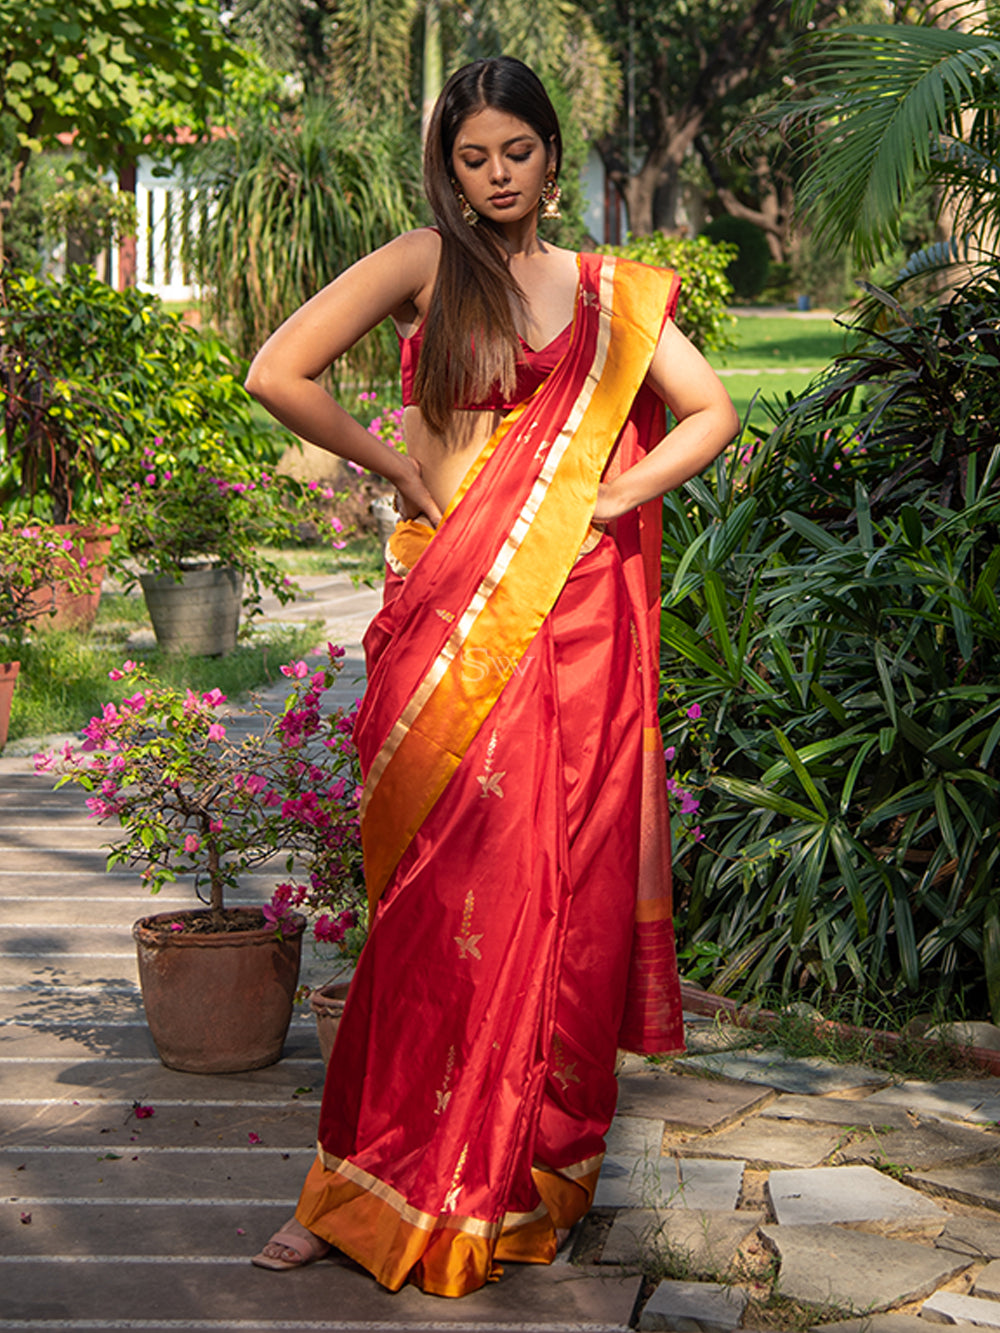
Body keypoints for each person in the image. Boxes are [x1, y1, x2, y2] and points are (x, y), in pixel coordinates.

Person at [244, 55, 738, 1298]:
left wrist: (610, 495)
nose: (497, 175)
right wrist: (395, 470)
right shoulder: (422, 264)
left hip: (570, 632)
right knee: (424, 911)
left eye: (517, 152)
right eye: (474, 157)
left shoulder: (603, 292)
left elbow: (711, 410)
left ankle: (511, 1175)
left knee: (541, 905)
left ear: (549, 152)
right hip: (448, 628)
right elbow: (276, 371)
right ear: (447, 164)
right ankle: (353, 1176)